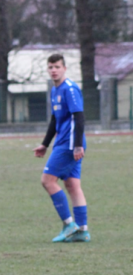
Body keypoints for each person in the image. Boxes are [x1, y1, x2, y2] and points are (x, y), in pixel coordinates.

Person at [33, 53, 90, 243]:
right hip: (65, 142)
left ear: (64, 68)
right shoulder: (54, 90)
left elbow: (79, 117)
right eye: (50, 67)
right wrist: (45, 144)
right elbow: (55, 119)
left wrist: (77, 146)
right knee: (73, 185)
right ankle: (82, 230)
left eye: (57, 66)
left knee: (47, 181)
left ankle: (68, 225)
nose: (53, 70)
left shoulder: (70, 89)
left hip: (69, 144)